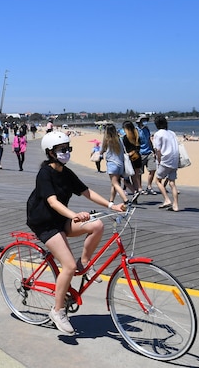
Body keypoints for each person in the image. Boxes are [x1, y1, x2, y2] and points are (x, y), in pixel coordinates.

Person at [26, 131, 125, 334]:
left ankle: (85, 263)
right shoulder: (44, 174)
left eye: (68, 149)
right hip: (45, 223)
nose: (66, 152)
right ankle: (57, 311)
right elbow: (52, 201)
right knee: (68, 267)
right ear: (50, 152)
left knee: (97, 225)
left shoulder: (66, 172)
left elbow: (86, 192)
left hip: (62, 220)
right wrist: (73, 215)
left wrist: (111, 205)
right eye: (62, 149)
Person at [153, 115, 181, 211]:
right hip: (175, 159)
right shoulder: (172, 133)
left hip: (166, 159)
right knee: (172, 183)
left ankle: (167, 199)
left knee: (157, 180)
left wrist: (159, 160)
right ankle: (176, 205)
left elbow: (158, 150)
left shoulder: (158, 134)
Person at [101, 123, 129, 205]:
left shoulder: (107, 140)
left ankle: (125, 199)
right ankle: (111, 200)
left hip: (112, 164)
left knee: (115, 183)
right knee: (114, 183)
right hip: (120, 164)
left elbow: (102, 150)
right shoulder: (119, 139)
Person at [121, 121, 143, 197]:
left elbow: (124, 149)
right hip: (137, 158)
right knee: (135, 178)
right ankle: (136, 191)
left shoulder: (125, 138)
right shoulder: (136, 136)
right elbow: (139, 148)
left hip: (130, 159)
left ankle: (134, 192)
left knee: (125, 178)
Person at [137, 116, 158, 194]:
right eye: (143, 120)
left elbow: (149, 140)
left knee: (153, 169)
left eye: (146, 120)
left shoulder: (146, 129)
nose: (145, 122)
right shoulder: (136, 130)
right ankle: (140, 188)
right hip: (140, 153)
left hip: (149, 152)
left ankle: (149, 186)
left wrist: (153, 150)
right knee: (139, 172)